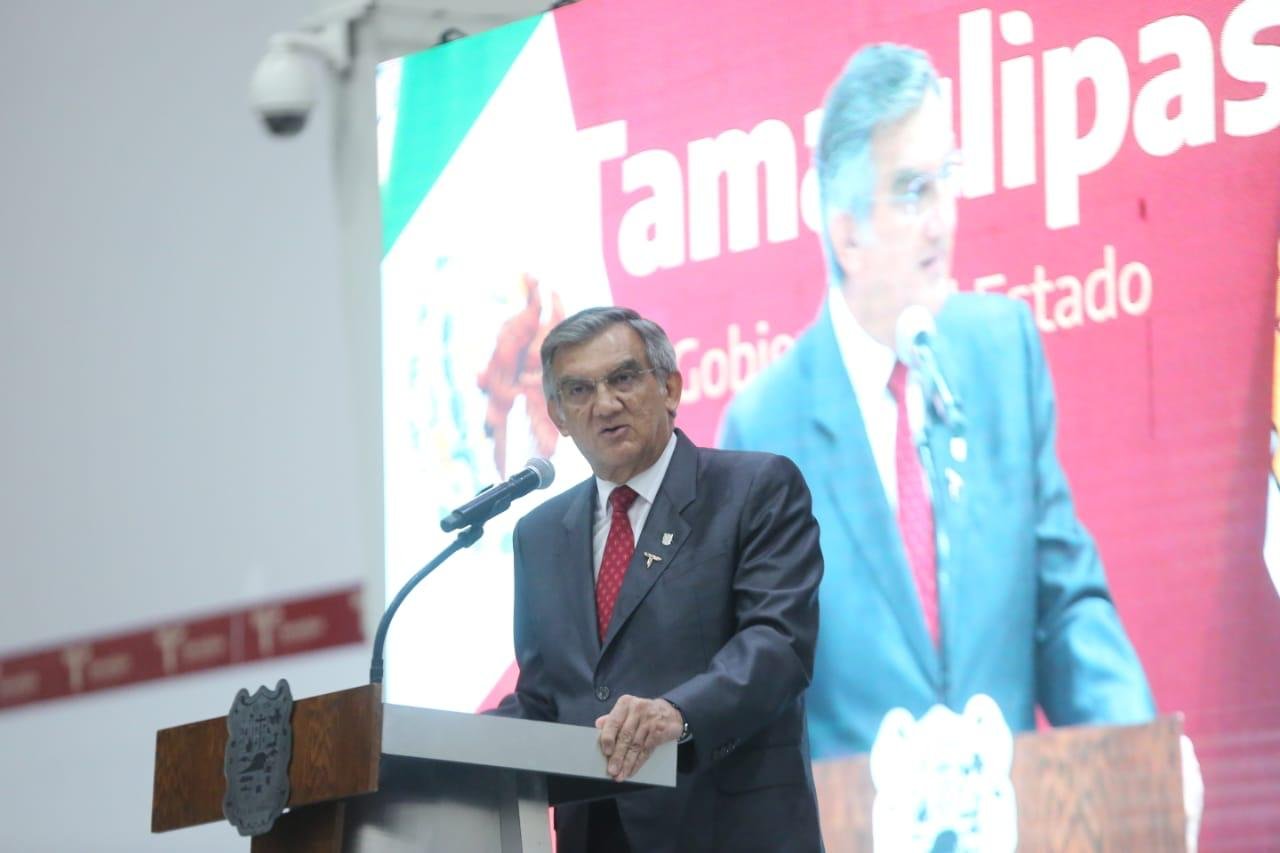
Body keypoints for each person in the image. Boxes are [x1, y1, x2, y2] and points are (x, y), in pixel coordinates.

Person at [718, 43, 1156, 760]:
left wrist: (1140, 755)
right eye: (912, 191)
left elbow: (1064, 606)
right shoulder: (765, 428)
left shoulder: (1001, 354)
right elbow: (763, 695)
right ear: (847, 231)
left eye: (946, 178)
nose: (942, 219)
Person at [493, 306, 825, 852]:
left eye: (623, 378)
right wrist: (447, 749)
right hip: (594, 834)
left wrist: (679, 713)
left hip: (728, 830)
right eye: (579, 390)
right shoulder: (540, 534)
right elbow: (546, 697)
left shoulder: (753, 488)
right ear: (558, 415)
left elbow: (777, 644)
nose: (604, 404)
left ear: (670, 388)